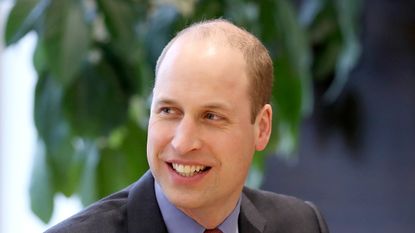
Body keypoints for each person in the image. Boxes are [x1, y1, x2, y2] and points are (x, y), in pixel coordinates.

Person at [45, 19, 329, 233]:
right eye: (168, 111)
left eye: (211, 116)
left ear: (263, 128)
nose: (182, 142)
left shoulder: (303, 224)